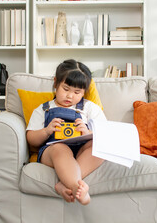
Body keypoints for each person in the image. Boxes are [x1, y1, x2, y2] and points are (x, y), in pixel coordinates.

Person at [26, 59, 106, 205]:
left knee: (100, 147)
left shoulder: (89, 108)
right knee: (60, 148)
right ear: (56, 83)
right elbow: (31, 138)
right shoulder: (44, 109)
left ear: (84, 92)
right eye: (66, 89)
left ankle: (65, 184)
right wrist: (46, 130)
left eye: (77, 92)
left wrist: (87, 132)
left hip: (81, 151)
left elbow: (104, 135)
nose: (70, 96)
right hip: (53, 152)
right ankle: (77, 187)